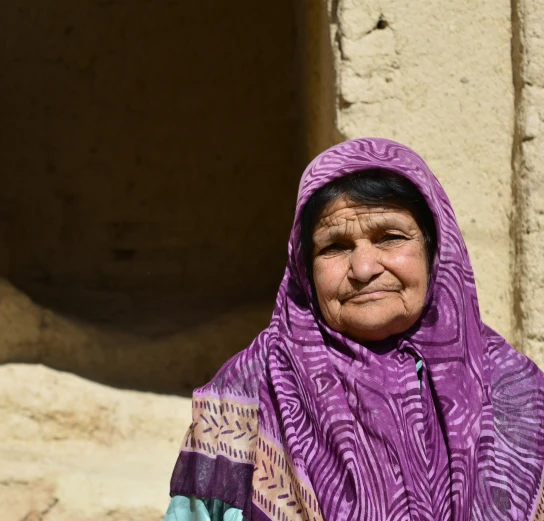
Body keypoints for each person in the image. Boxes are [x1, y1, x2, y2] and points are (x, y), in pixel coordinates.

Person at [164, 138, 544, 521]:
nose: (364, 269)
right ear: (304, 268)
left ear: (435, 250)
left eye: (390, 238)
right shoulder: (250, 389)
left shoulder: (514, 390)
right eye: (335, 247)